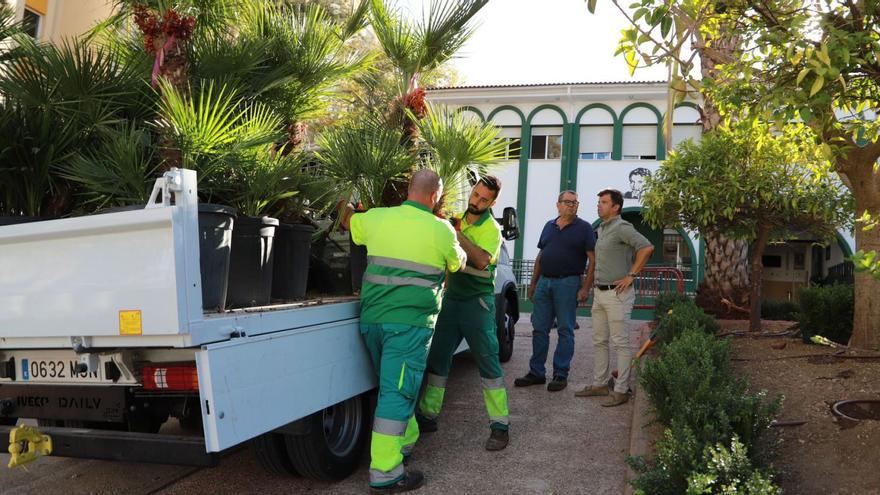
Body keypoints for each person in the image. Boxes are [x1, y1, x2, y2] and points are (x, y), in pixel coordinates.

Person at [340, 170, 466, 494]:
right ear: (435, 196)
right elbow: (458, 264)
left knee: (392, 387)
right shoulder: (442, 230)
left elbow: (348, 221)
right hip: (408, 327)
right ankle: (384, 473)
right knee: (397, 393)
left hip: (372, 322)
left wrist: (350, 206)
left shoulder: (377, 218)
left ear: (409, 189)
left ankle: (405, 442)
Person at [415, 175, 511, 451]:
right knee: (438, 361)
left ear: (492, 202)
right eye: (475, 194)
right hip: (451, 300)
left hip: (477, 304)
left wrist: (454, 233)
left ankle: (500, 426)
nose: (476, 201)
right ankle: (429, 415)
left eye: (484, 199)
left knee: (488, 365)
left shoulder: (492, 229)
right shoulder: (457, 217)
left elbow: (481, 261)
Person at [575, 189, 654, 407]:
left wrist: (631, 275)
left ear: (616, 207)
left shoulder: (622, 227)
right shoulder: (602, 228)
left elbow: (647, 247)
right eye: (598, 201)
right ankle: (600, 384)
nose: (599, 205)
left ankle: (621, 390)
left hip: (618, 294)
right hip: (600, 294)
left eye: (603, 202)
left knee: (621, 342)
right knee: (599, 340)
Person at [514, 190, 595, 392]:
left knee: (565, 329)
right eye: (567, 202)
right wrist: (533, 284)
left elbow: (593, 260)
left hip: (568, 283)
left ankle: (560, 374)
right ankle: (536, 372)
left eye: (575, 202)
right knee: (539, 328)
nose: (572, 205)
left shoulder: (584, 228)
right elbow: (541, 255)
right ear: (557, 204)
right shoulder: (548, 226)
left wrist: (585, 287)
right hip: (544, 283)